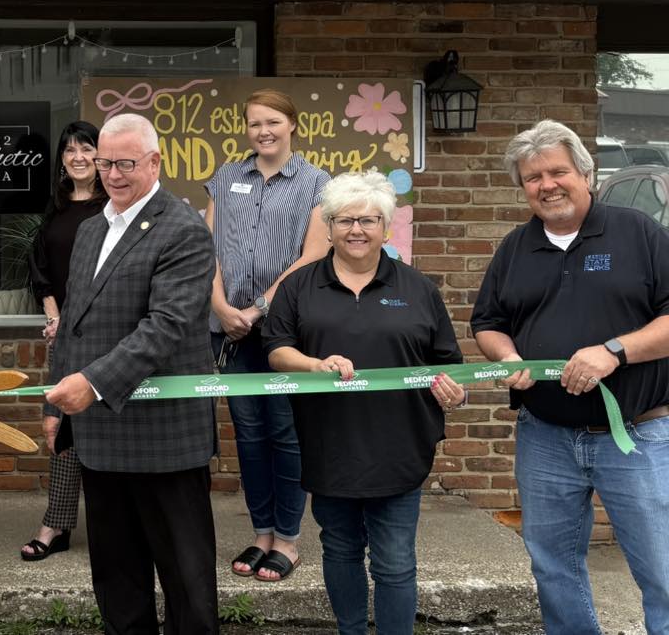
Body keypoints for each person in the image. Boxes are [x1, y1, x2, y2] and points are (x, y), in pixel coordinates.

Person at [472, 120, 669, 635]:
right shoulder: (515, 248)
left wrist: (615, 352)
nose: (547, 185)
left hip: (638, 435)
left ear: (586, 173)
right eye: (533, 178)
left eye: (557, 171)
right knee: (553, 568)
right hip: (545, 438)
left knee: (663, 572)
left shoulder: (639, 232)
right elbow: (487, 322)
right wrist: (506, 356)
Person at [262, 171, 466, 635]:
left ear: (386, 228)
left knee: (394, 562)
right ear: (329, 227)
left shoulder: (418, 289)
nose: (356, 229)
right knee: (340, 550)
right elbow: (276, 350)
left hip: (400, 448)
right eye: (344, 220)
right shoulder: (299, 287)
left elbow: (447, 364)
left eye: (368, 220)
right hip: (328, 444)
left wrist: (455, 392)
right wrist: (314, 365)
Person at [43, 113, 219, 634]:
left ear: (154, 163)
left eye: (125, 164)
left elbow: (164, 327)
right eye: (105, 164)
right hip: (99, 435)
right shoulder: (91, 228)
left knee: (187, 583)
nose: (112, 175)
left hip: (164, 438)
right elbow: (72, 324)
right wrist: (55, 405)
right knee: (117, 580)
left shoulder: (184, 229)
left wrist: (92, 383)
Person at [204, 89, 331, 582]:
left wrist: (256, 309)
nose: (264, 131)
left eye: (273, 121)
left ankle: (288, 540)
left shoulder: (316, 182)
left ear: (292, 125)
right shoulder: (226, 177)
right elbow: (207, 249)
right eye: (255, 123)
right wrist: (221, 308)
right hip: (230, 329)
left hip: (284, 329)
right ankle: (261, 534)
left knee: (284, 431)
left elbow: (313, 256)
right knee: (249, 434)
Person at [22, 120, 107, 562]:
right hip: (64, 334)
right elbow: (40, 268)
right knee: (60, 425)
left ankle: (113, 524)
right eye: (70, 150)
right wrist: (54, 317)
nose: (78, 157)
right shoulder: (54, 207)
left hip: (109, 334)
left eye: (86, 148)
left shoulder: (114, 206)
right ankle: (56, 522)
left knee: (109, 426)